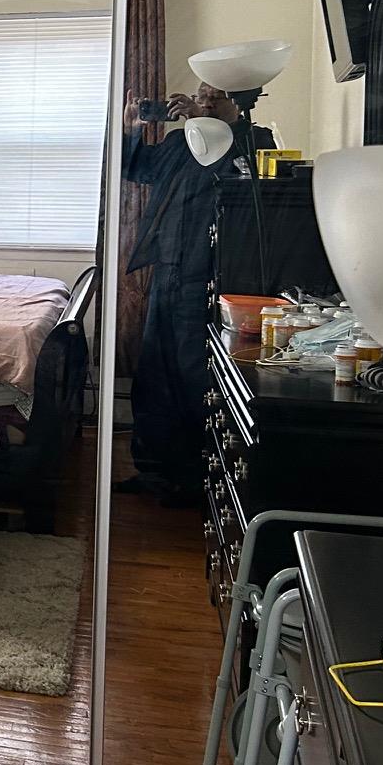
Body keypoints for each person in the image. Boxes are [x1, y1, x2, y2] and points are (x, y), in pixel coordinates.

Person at [119, 83, 269, 502]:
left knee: (193, 373)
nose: (204, 101)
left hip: (211, 277)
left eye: (215, 95)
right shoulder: (179, 141)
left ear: (236, 102)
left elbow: (254, 173)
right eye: (201, 94)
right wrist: (131, 128)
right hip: (167, 268)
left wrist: (223, 125)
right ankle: (154, 473)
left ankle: (196, 477)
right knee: (154, 372)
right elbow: (134, 168)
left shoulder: (253, 139)